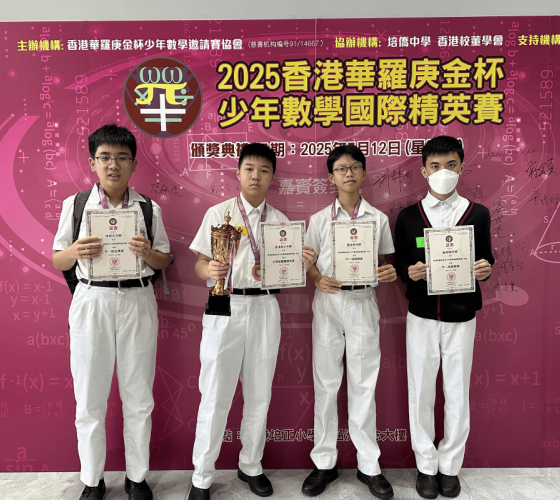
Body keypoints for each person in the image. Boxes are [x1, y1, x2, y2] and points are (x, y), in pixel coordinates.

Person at [187, 143, 317, 500]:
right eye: (249, 169)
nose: (255, 176)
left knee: (260, 392)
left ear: (272, 177)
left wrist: (300, 264)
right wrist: (209, 271)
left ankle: (251, 464)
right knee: (215, 393)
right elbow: (199, 264)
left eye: (263, 170)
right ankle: (201, 476)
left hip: (264, 306)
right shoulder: (219, 213)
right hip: (223, 303)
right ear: (238, 173)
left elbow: (288, 273)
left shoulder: (282, 223)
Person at [52, 124, 172, 500]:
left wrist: (147, 253)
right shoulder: (76, 206)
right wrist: (75, 251)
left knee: (139, 394)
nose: (113, 165)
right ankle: (92, 479)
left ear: (133, 163)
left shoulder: (148, 208)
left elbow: (165, 259)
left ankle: (137, 477)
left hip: (137, 299)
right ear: (92, 163)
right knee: (90, 396)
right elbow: (58, 259)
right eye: (105, 157)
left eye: (122, 158)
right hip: (93, 300)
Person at [393, 135, 494, 499]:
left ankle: (450, 466)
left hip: (461, 316)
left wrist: (484, 269)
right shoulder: (408, 217)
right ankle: (425, 466)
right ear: (424, 171)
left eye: (451, 165)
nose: (443, 172)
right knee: (420, 390)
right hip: (421, 316)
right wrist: (410, 272)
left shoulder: (477, 213)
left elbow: (486, 259)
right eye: (435, 166)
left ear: (462, 167)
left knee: (457, 391)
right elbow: (401, 266)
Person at [301, 145, 397, 500]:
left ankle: (369, 464)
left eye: (355, 167)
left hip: (362, 302)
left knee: (363, 383)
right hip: (329, 303)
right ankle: (324, 462)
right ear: (331, 177)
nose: (349, 174)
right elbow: (307, 262)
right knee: (326, 384)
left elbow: (386, 262)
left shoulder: (378, 218)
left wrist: (388, 272)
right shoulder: (318, 220)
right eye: (341, 169)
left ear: (364, 173)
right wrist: (316, 278)